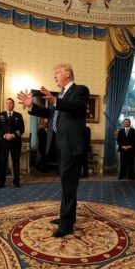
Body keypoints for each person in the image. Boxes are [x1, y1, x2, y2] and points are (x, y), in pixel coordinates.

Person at [17, 63, 89, 237]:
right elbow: (49, 114)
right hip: (60, 145)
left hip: (72, 146)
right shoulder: (61, 95)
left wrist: (56, 100)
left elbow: (76, 108)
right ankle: (66, 216)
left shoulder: (80, 90)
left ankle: (67, 224)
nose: (55, 76)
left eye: (57, 73)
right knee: (65, 184)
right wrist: (31, 105)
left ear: (68, 75)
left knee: (69, 185)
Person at [0, 98, 25, 188]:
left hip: (15, 143)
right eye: (7, 103)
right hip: (3, 143)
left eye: (10, 103)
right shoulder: (0, 115)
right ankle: (1, 182)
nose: (9, 104)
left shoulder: (18, 115)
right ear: (5, 104)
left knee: (15, 163)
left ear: (13, 105)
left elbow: (21, 129)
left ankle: (16, 182)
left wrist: (13, 135)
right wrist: (4, 135)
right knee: (2, 163)